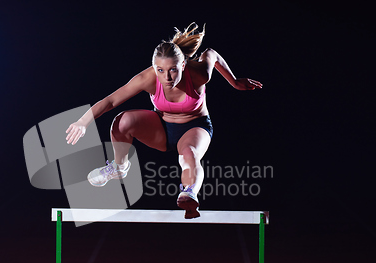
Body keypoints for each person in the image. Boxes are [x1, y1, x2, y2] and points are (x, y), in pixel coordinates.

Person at [65, 23, 262, 219]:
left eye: (173, 70)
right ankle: (119, 167)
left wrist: (234, 82)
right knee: (121, 122)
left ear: (183, 65)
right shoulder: (146, 78)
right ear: (154, 68)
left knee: (189, 154)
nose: (167, 77)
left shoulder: (199, 74)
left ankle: (189, 193)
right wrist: (83, 122)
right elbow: (111, 100)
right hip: (161, 128)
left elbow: (212, 53)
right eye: (160, 70)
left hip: (195, 126)